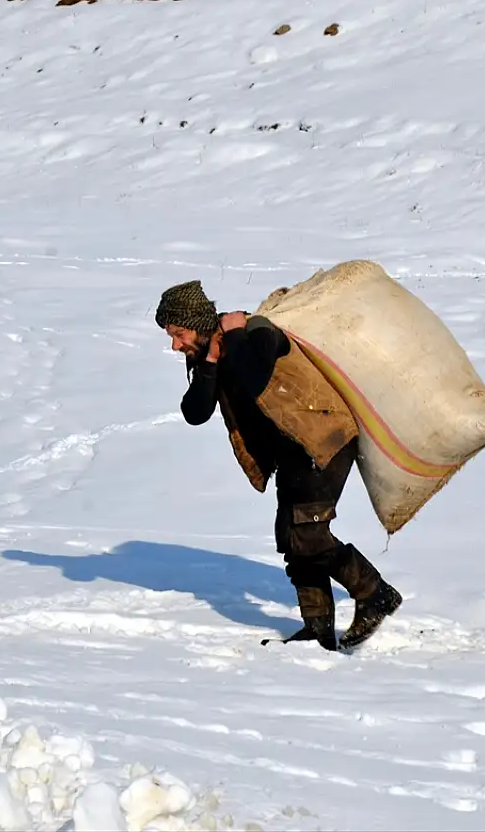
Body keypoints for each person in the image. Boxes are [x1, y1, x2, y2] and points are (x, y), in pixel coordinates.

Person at [155, 279, 402, 651]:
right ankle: (317, 630)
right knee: (291, 535)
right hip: (290, 450)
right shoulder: (208, 351)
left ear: (197, 322)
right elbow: (196, 411)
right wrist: (209, 362)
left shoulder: (258, 330)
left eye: (179, 334)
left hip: (322, 438)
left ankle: (375, 593)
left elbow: (255, 377)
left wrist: (234, 336)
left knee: (309, 534)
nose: (176, 345)